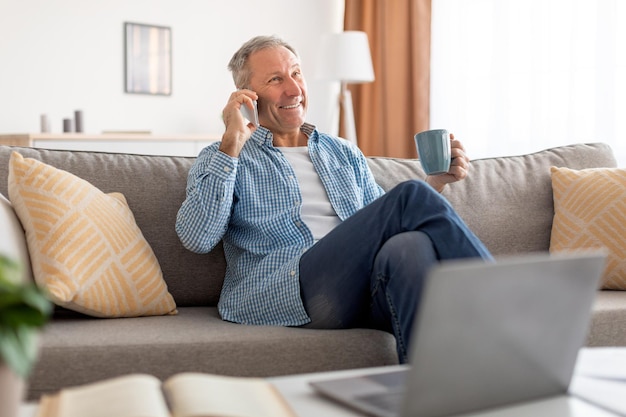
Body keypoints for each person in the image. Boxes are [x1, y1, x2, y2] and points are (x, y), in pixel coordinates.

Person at [176, 35, 492, 363]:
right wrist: (231, 144)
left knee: (409, 247)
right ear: (246, 99)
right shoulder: (224, 157)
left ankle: (429, 391)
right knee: (411, 195)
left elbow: (381, 224)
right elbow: (198, 238)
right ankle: (503, 308)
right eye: (276, 79)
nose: (294, 89)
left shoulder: (342, 151)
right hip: (288, 288)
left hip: (360, 285)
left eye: (296, 73)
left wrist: (435, 183)